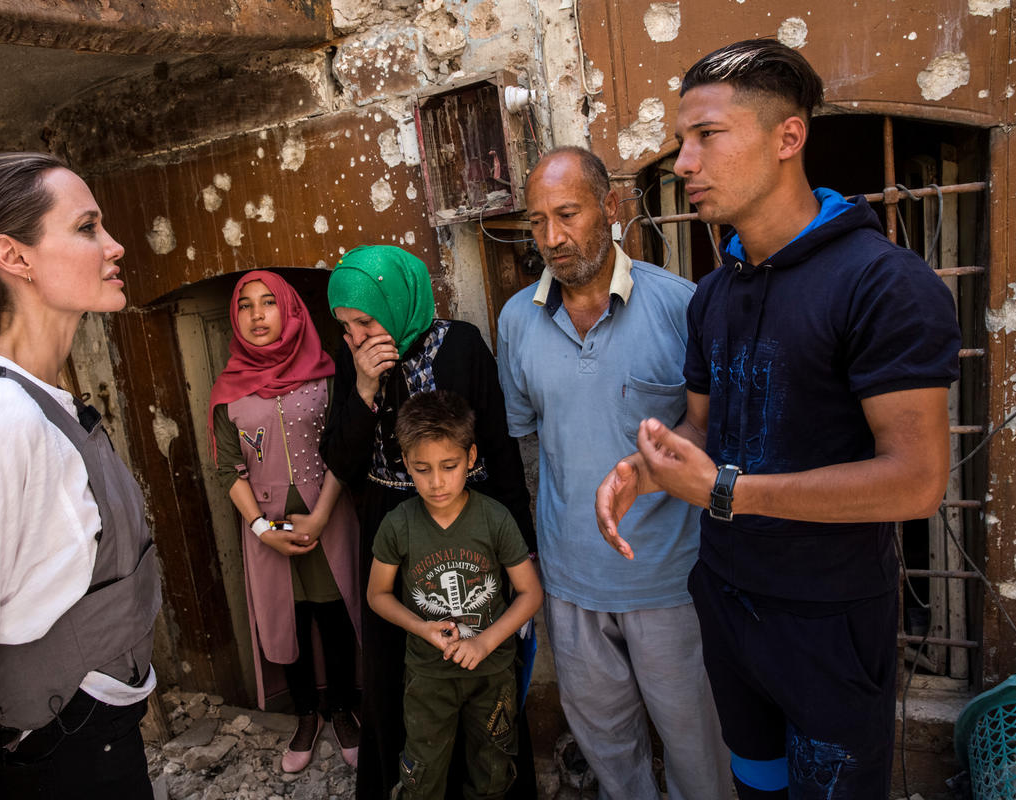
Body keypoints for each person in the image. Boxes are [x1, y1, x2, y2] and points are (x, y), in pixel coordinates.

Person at [594, 39, 961, 799]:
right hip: (728, 602)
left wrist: (726, 490)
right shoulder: (715, 295)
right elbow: (701, 428)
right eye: (679, 143)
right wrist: (649, 468)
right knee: (755, 784)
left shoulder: (883, 283)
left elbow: (917, 482)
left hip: (829, 621)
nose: (684, 163)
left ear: (788, 137)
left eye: (707, 136)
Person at [0, 152, 161, 800]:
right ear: (14, 257)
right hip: (63, 763)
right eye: (86, 227)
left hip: (93, 740)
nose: (114, 245)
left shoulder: (25, 397)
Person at [496, 146, 730, 800]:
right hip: (570, 583)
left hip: (671, 579)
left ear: (611, 207)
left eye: (567, 214)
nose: (552, 238)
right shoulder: (517, 322)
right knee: (606, 743)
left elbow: (710, 436)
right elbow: (527, 448)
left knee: (696, 746)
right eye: (537, 222)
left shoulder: (682, 308)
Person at [319, 244, 537, 800]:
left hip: (468, 523)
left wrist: (521, 547)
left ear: (396, 302)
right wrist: (365, 388)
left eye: (366, 320)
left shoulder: (460, 345)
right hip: (392, 522)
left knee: (480, 660)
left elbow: (499, 447)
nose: (358, 336)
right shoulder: (353, 361)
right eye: (345, 326)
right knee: (400, 668)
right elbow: (342, 463)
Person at [208, 270, 361, 772]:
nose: (257, 316)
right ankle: (305, 716)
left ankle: (342, 710)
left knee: (335, 612)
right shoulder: (228, 390)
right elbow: (230, 468)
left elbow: (343, 450)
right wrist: (261, 530)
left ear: (290, 310)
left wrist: (319, 517)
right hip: (267, 530)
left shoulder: (327, 372)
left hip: (330, 516)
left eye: (268, 303)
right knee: (288, 620)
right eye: (246, 306)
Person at [368, 390, 542, 800]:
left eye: (449, 466)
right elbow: (377, 595)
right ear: (406, 463)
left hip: (492, 673)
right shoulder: (399, 525)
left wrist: (484, 642)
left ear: (471, 457)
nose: (437, 482)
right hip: (428, 676)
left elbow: (530, 593)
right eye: (422, 469)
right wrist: (421, 627)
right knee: (422, 774)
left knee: (492, 770)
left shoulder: (494, 518)